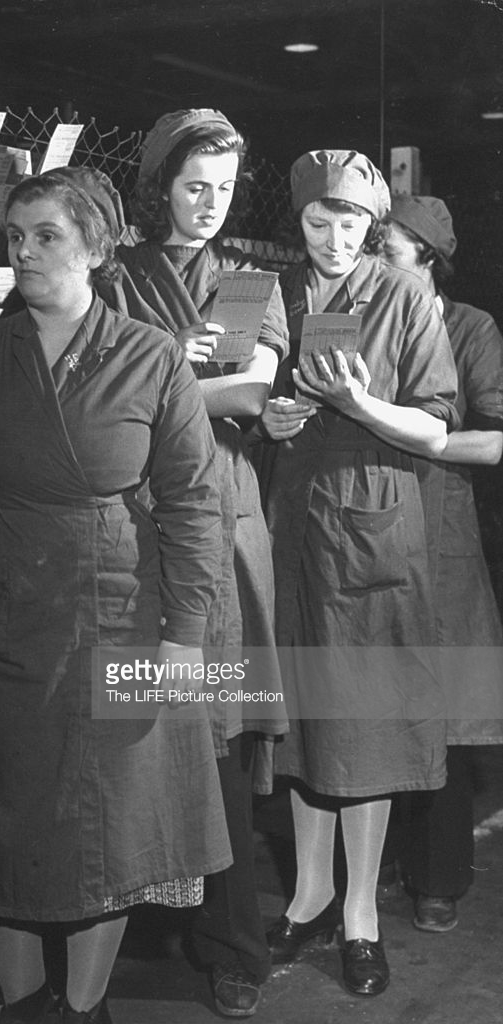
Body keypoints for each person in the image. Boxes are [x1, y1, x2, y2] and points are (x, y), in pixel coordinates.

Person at [0, 169, 233, 1024]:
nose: (23, 252)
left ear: (93, 248)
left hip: (118, 620)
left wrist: (185, 639)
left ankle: (84, 1005)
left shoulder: (149, 356)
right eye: (14, 237)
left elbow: (195, 506)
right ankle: (22, 1004)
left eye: (44, 235)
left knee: (108, 827)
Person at [100, 108, 289, 1019]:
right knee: (142, 723)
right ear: (160, 186)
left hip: (221, 518)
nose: (209, 204)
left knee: (217, 737)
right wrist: (176, 375)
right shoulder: (112, 277)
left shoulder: (250, 283)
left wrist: (159, 378)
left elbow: (252, 390)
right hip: (135, 525)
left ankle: (231, 947)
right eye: (193, 186)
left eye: (222, 188)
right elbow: (92, 398)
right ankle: (133, 923)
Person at [258, 150, 459, 997]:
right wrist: (271, 416)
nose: (333, 239)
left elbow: (437, 428)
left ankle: (361, 916)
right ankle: (308, 896)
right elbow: (249, 387)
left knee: (365, 727)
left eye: (350, 224)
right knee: (307, 720)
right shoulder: (274, 291)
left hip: (376, 527)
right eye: (316, 221)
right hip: (296, 524)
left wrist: (356, 405)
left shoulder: (405, 295)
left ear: (372, 228)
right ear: (296, 221)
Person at [383, 194, 503, 933]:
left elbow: (491, 443)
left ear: (426, 258)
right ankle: (380, 869)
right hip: (371, 532)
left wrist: (398, 434)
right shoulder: (361, 318)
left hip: (441, 534)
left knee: (447, 717)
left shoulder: (469, 329)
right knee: (373, 709)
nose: (377, 264)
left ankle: (438, 879)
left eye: (391, 252)